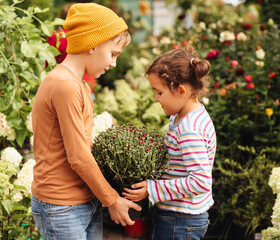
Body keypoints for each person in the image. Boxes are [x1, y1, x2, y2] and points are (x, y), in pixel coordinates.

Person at [31, 3, 141, 240]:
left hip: (84, 200)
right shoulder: (65, 85)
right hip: (62, 207)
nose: (113, 64)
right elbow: (78, 156)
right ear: (93, 44)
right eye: (112, 54)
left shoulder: (77, 83)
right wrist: (111, 199)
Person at [123, 48, 217, 240]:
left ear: (181, 91)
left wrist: (152, 189)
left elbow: (200, 182)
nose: (156, 98)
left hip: (181, 219)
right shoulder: (181, 116)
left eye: (159, 92)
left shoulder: (189, 128)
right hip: (179, 216)